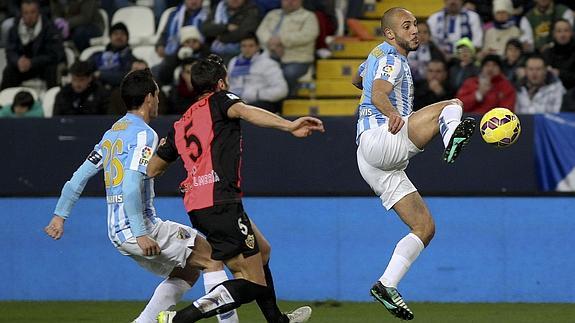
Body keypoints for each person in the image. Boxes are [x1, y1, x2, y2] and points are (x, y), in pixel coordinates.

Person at [44, 68, 239, 323]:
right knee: (213, 257)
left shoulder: (112, 133)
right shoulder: (144, 134)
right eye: (157, 95)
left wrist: (60, 216)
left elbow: (78, 178)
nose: (158, 100)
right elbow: (130, 185)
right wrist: (141, 232)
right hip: (139, 228)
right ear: (149, 97)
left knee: (188, 270)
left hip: (116, 231)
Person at [148, 55, 324, 323]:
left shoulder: (181, 123)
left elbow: (153, 169)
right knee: (252, 283)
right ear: (221, 82)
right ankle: (179, 319)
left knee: (262, 251)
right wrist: (288, 125)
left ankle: (277, 319)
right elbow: (245, 111)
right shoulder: (221, 100)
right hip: (221, 200)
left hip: (199, 204)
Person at [352, 7, 475, 321]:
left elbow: (360, 79)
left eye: (416, 25)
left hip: (371, 159)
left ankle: (386, 284)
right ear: (391, 34)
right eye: (407, 26)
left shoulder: (377, 53)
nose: (415, 30)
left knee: (424, 227)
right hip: (384, 136)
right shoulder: (392, 58)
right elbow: (380, 92)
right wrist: (390, 112)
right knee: (453, 104)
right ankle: (451, 141)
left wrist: (371, 94)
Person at [256, 0, 319, 97]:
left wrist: (282, 41)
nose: (290, 2)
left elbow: (308, 35)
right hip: (270, 54)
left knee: (287, 74)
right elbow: (261, 31)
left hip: (298, 59)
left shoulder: (308, 16)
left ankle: (285, 103)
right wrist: (272, 44)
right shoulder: (272, 14)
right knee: (259, 71)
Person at [1, 0, 64, 90]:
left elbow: (54, 54)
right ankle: (4, 101)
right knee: (9, 71)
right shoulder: (15, 28)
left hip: (42, 66)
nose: (29, 16)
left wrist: (32, 62)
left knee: (52, 69)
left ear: (38, 12)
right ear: (22, 13)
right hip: (23, 67)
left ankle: (52, 99)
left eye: (33, 12)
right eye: (26, 13)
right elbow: (10, 51)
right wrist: (18, 61)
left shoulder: (49, 28)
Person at [227, 33, 288, 114]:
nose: (247, 49)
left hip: (259, 103)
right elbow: (228, 84)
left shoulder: (268, 63)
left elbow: (282, 90)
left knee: (246, 111)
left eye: (251, 46)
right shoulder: (233, 62)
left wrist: (257, 94)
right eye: (244, 46)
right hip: (236, 102)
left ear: (258, 46)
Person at [153, 0, 209, 86]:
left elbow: (211, 39)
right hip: (174, 53)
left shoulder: (208, 16)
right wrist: (160, 44)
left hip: (198, 54)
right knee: (154, 72)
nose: (194, 1)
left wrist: (197, 46)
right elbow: (164, 34)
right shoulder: (173, 14)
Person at [89, 22, 136, 89]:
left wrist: (101, 74)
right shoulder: (97, 56)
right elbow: (84, 71)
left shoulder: (132, 60)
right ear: (110, 37)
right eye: (116, 34)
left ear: (127, 38)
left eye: (122, 34)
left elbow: (128, 78)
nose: (119, 36)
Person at [542, 19, 575, 90]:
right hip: (550, 93)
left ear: (571, 33)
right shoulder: (547, 53)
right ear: (554, 34)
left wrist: (560, 73)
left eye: (566, 30)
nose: (563, 35)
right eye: (559, 31)